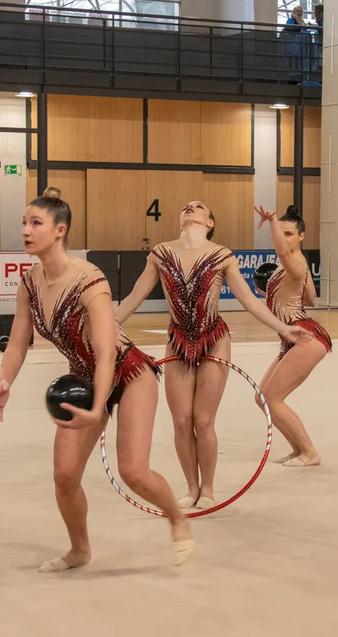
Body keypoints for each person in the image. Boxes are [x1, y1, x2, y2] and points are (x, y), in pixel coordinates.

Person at [0, 191, 193, 572]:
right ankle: (79, 549)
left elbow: (106, 351)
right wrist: (5, 381)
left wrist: (99, 407)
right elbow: (17, 342)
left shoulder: (89, 279)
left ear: (60, 230)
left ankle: (177, 519)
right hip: (82, 378)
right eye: (24, 223)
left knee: (133, 471)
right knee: (65, 477)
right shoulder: (29, 283)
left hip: (128, 373)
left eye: (36, 223)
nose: (26, 231)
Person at [115, 200, 311, 509]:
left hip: (214, 339)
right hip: (178, 341)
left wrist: (284, 329)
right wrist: (106, 328)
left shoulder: (222, 255)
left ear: (210, 222)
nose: (190, 207)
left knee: (203, 420)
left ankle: (207, 489)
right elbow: (134, 297)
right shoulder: (161, 253)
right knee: (182, 420)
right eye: (186, 206)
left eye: (199, 206)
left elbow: (248, 300)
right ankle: (191, 488)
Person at [254, 205, 332, 467]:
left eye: (289, 233)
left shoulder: (293, 262)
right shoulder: (296, 266)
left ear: (301, 236)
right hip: (291, 337)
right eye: (282, 233)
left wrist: (272, 220)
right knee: (262, 398)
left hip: (305, 336)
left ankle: (310, 453)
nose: (284, 238)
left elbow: (283, 253)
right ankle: (299, 449)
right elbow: (311, 299)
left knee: (273, 399)